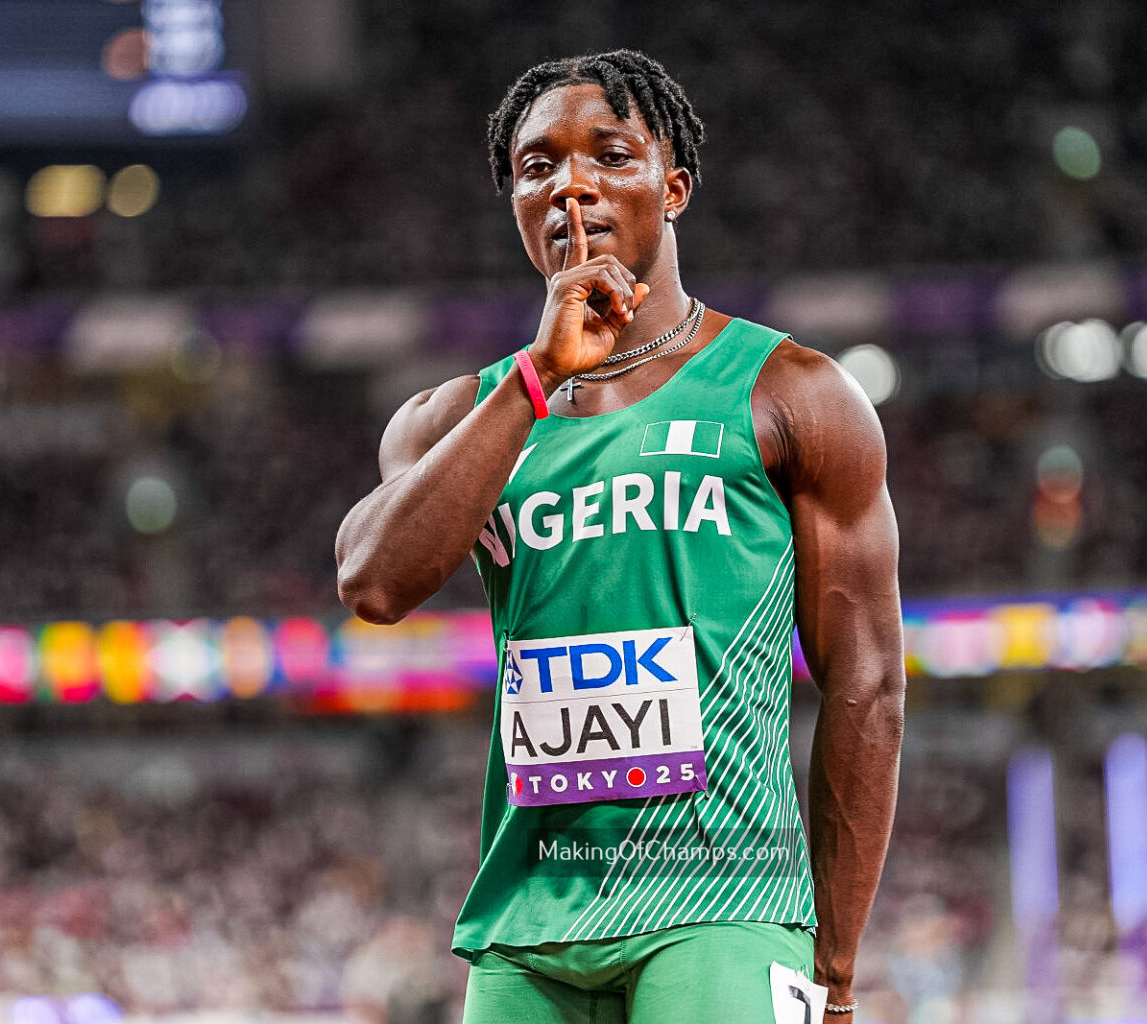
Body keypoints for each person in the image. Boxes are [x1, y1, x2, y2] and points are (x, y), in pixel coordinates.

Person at [335, 50, 904, 1024]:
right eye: (537, 166)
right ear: (517, 204)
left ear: (672, 186)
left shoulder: (791, 393)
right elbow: (371, 582)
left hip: (723, 903)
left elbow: (867, 683)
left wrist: (837, 973)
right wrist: (537, 377)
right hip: (528, 921)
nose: (572, 186)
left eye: (609, 154)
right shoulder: (456, 418)